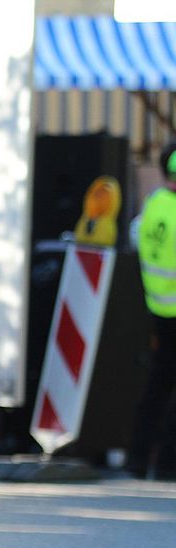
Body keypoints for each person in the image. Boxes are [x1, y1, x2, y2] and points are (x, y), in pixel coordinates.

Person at [128, 141, 176, 480]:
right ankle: (168, 463)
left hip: (158, 308)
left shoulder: (154, 205)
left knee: (157, 386)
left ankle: (138, 457)